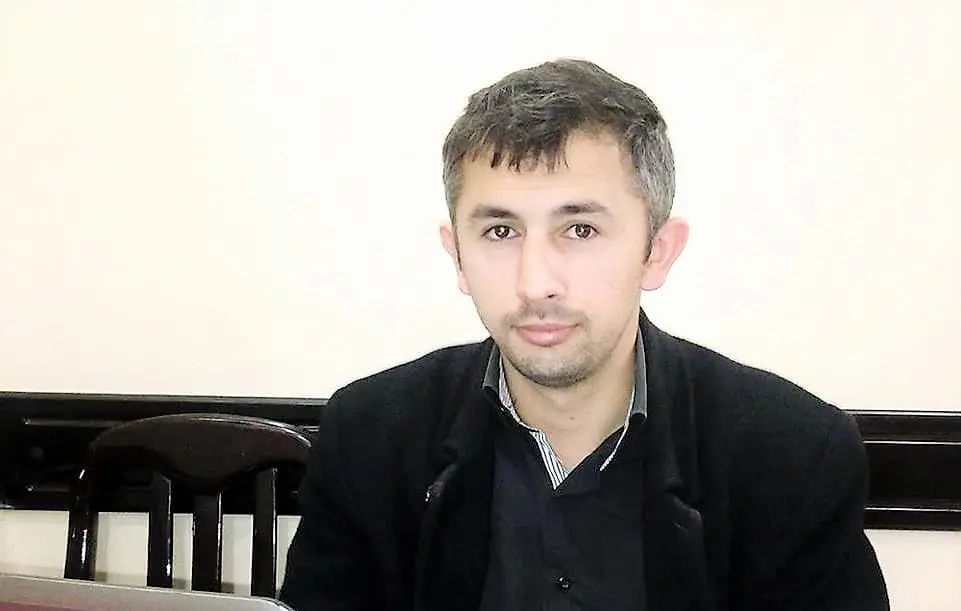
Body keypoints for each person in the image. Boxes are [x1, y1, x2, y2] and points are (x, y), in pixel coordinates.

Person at [278, 58, 889, 611]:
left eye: (580, 231)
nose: (536, 282)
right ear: (457, 256)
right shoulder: (368, 441)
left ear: (657, 251)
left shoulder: (792, 457)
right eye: (499, 232)